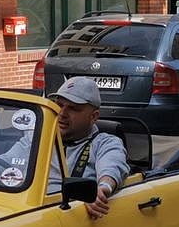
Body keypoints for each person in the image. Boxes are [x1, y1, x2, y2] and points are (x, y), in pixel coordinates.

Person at [48, 77, 129, 219]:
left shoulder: (106, 143)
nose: (62, 113)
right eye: (59, 105)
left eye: (73, 108)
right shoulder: (40, 138)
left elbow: (112, 168)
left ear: (93, 116)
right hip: (34, 212)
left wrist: (101, 190)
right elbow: (7, 164)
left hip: (70, 216)